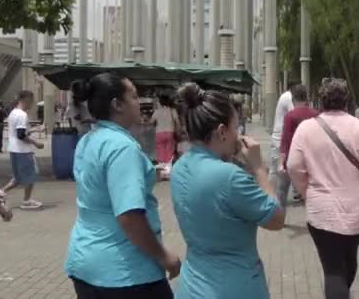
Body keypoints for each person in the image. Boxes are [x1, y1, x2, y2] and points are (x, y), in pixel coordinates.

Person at [65, 73, 180, 299]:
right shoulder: (122, 148)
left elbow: (101, 183)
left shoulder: (90, 139)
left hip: (86, 261)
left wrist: (147, 174)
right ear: (117, 105)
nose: (140, 103)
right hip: (124, 272)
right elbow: (129, 216)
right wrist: (163, 256)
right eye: (134, 97)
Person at [170, 82, 285, 298]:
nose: (238, 134)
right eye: (236, 127)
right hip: (234, 286)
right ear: (222, 131)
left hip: (192, 285)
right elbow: (276, 219)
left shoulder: (179, 167)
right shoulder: (230, 177)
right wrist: (258, 167)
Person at [287, 78, 359, 299]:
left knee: (333, 268)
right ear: (346, 100)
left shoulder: (306, 128)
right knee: (348, 260)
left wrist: (308, 192)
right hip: (358, 212)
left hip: (321, 211)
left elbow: (293, 166)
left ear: (321, 100)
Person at [0, 91, 45, 210]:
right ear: (26, 99)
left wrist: (35, 129)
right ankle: (26, 201)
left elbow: (19, 132)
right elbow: (21, 135)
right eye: (31, 100)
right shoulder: (22, 115)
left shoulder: (13, 113)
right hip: (23, 150)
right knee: (30, 176)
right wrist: (36, 143)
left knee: (18, 177)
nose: (32, 104)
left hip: (14, 149)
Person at [278, 84, 319, 211]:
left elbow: (285, 141)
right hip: (312, 159)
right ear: (306, 98)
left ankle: (280, 217)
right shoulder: (316, 114)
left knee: (282, 189)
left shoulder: (290, 116)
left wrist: (281, 163)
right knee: (311, 190)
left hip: (293, 158)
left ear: (293, 99)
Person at [270, 82, 302, 203]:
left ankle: (270, 196)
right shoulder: (289, 97)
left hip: (278, 137)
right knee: (282, 175)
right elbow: (295, 115)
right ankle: (274, 200)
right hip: (281, 139)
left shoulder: (284, 96)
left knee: (275, 172)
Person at [148, 93, 180, 164]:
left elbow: (151, 122)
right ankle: (168, 167)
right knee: (169, 151)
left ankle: (162, 166)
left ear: (160, 102)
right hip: (170, 133)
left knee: (160, 150)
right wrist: (178, 131)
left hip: (159, 133)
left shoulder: (157, 111)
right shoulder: (172, 110)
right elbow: (177, 122)